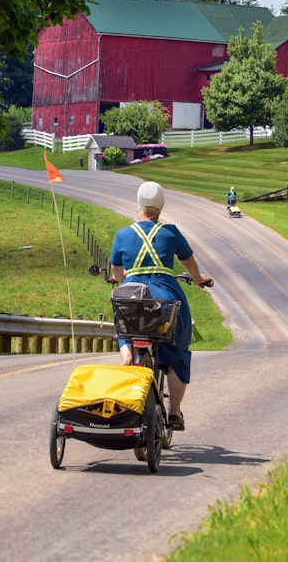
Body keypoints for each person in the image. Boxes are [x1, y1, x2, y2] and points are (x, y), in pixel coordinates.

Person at [109, 181, 212, 433]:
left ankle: (127, 355)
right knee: (177, 347)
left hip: (133, 293)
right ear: (161, 206)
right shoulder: (171, 232)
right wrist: (199, 280)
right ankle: (174, 412)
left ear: (139, 205)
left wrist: (120, 278)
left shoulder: (123, 234)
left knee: (125, 323)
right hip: (164, 294)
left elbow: (117, 271)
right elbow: (188, 262)